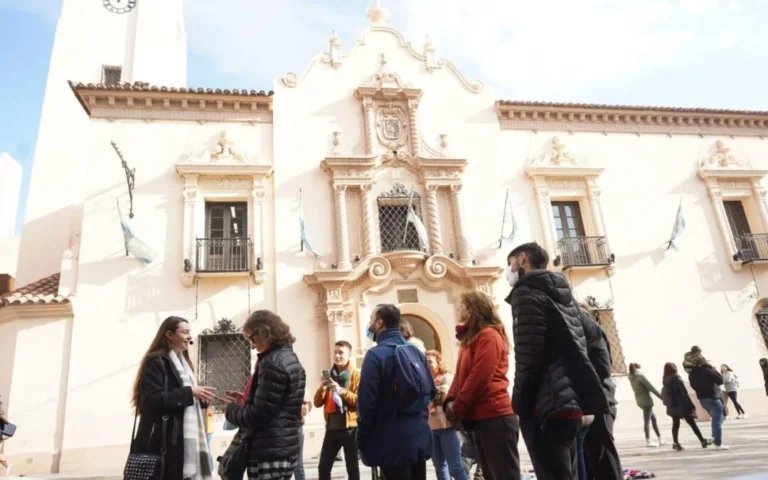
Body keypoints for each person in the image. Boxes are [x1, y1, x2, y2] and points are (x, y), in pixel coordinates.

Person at [506, 243, 610, 480]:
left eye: (510, 262)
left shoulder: (525, 293)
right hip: (570, 405)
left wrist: (519, 403)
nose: (509, 270)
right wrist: (589, 383)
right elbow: (597, 341)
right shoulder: (565, 295)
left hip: (544, 406)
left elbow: (527, 357)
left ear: (522, 259)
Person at [445, 291, 520, 480]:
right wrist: (450, 400)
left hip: (495, 416)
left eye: (462, 305)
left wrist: (458, 407)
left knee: (504, 475)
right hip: (479, 417)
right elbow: (460, 376)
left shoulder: (489, 335)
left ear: (471, 310)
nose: (458, 308)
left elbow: (480, 377)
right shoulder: (470, 338)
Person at [223, 310, 307, 479]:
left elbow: (259, 415)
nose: (252, 345)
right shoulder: (288, 357)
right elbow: (276, 404)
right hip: (282, 446)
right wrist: (246, 400)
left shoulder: (272, 363)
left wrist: (231, 410)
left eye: (252, 338)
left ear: (265, 332)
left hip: (270, 449)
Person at [130, 316, 216, 480]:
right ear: (169, 335)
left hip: (180, 440)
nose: (190, 336)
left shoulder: (185, 364)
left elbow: (183, 399)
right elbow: (151, 400)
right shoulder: (156, 361)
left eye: (189, 332)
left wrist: (201, 400)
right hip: (163, 441)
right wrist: (190, 392)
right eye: (185, 332)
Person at [356, 304, 435, 480]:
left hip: (390, 440)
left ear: (379, 323)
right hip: (418, 437)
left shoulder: (375, 355)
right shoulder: (417, 352)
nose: (369, 324)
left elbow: (366, 404)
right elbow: (431, 391)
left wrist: (362, 438)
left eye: (371, 320)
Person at [577, 305, 623, 480]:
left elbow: (602, 367)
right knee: (593, 456)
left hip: (600, 401)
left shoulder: (591, 331)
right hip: (595, 400)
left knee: (603, 455)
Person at [313, 340, 360, 480]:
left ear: (349, 355)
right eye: (335, 352)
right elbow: (317, 403)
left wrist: (340, 390)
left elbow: (359, 401)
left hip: (350, 428)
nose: (337, 355)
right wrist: (323, 387)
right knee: (323, 467)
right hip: (331, 428)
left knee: (352, 467)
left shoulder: (356, 375)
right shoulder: (329, 376)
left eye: (341, 353)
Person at [426, 349, 467, 480]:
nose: (427, 365)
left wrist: (426, 391)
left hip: (448, 427)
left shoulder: (447, 377)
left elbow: (442, 397)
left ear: (438, 362)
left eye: (430, 362)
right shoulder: (427, 380)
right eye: (425, 362)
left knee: (455, 467)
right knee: (439, 467)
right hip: (432, 428)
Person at [686, 349, 728, 450]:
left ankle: (715, 437)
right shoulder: (707, 371)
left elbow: (693, 386)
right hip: (713, 397)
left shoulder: (691, 375)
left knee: (715, 419)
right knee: (717, 420)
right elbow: (720, 380)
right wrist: (713, 369)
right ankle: (718, 443)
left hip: (703, 400)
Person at [661, 362, 707, 451]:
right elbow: (684, 394)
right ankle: (702, 440)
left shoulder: (665, 381)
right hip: (682, 406)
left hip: (672, 406)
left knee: (675, 424)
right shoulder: (677, 380)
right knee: (692, 423)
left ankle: (675, 443)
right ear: (675, 369)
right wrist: (691, 405)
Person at [628, 363, 665, 447]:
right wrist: (663, 398)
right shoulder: (641, 377)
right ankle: (648, 441)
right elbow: (652, 388)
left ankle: (660, 438)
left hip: (639, 401)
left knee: (653, 419)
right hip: (646, 401)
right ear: (638, 369)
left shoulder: (630, 377)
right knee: (647, 421)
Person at [294, 399, 312, 480]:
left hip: (296, 426)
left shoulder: (299, 386)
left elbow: (309, 403)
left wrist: (306, 407)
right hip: (278, 427)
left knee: (298, 464)